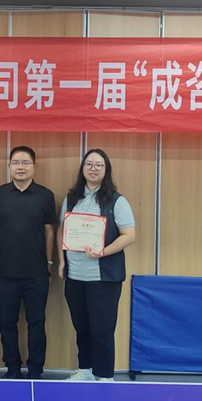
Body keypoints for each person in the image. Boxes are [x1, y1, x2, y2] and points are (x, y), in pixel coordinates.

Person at [58, 149, 136, 382]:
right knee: (81, 328)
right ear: (82, 169)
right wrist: (61, 261)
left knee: (102, 330)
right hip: (75, 276)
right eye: (89, 164)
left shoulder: (117, 200)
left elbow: (129, 235)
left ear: (106, 170)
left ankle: (104, 375)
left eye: (99, 165)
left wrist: (103, 252)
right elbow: (63, 230)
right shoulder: (71, 198)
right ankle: (86, 370)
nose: (93, 169)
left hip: (104, 278)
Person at [0, 146, 57, 380]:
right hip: (4, 273)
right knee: (7, 323)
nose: (20, 167)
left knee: (36, 323)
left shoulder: (45, 195)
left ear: (34, 167)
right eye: (16, 162)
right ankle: (12, 368)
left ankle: (36, 369)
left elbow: (49, 231)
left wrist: (49, 262)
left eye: (25, 162)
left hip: (36, 273)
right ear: (9, 166)